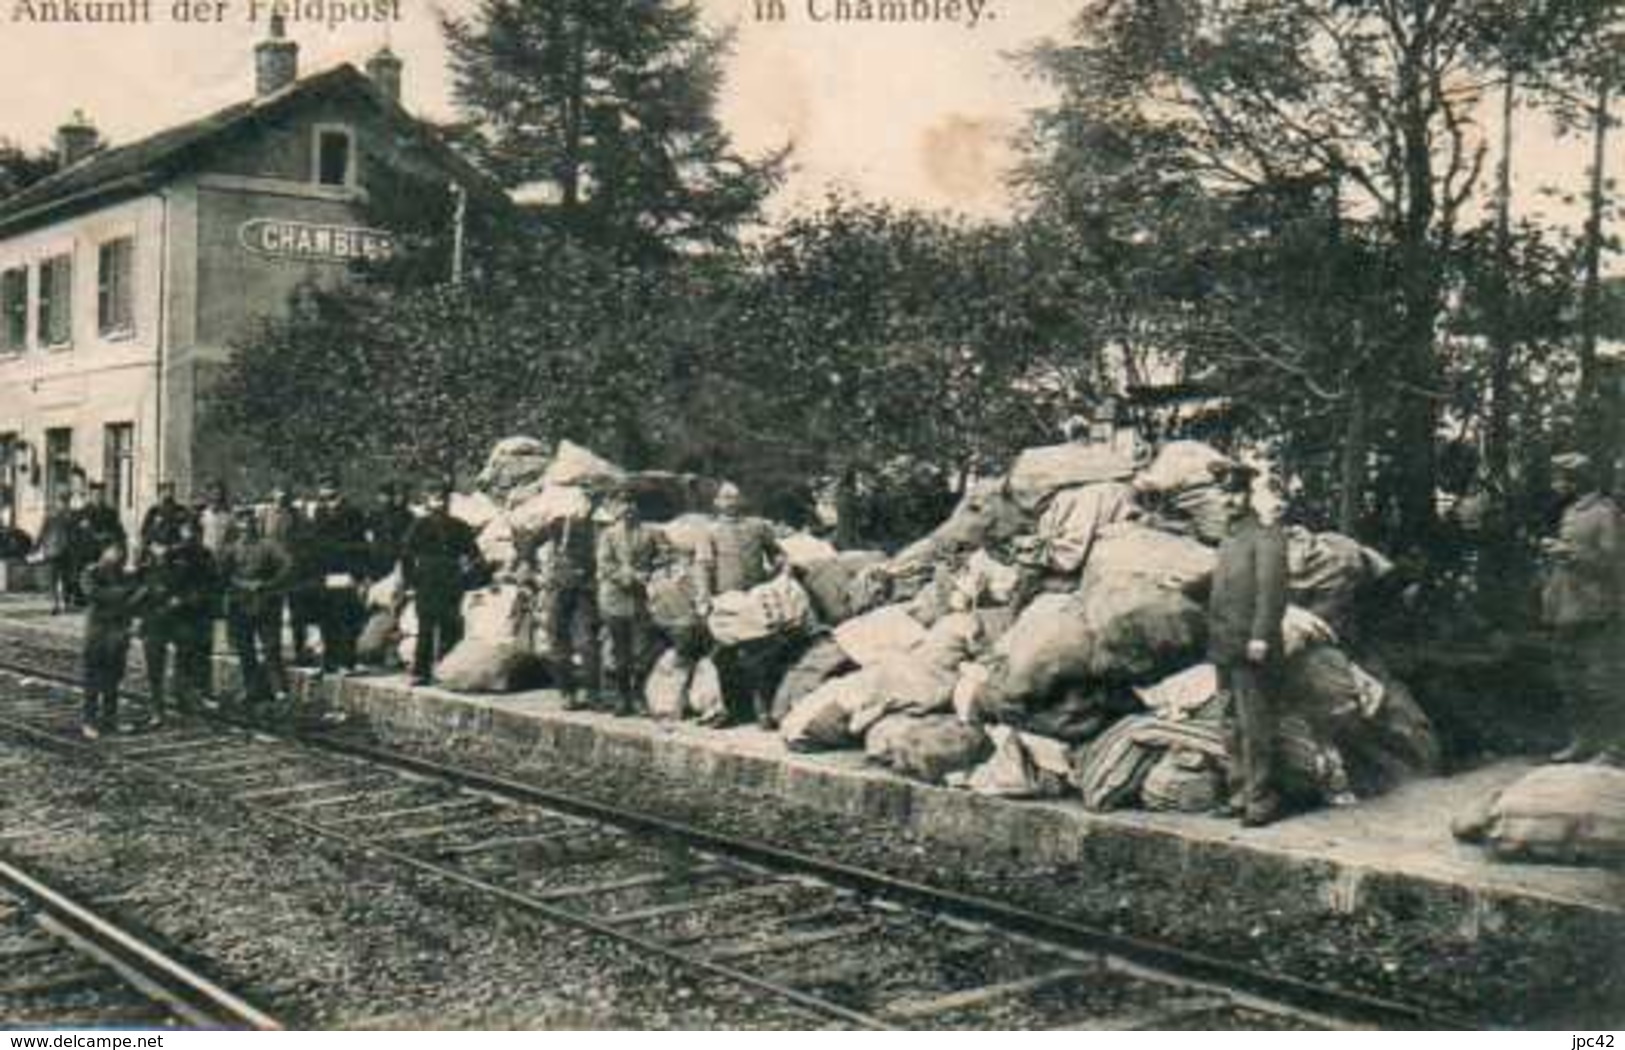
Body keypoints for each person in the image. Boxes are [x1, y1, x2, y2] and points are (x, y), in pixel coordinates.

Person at [1207, 461, 1289, 828]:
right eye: (1223, 493)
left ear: (1248, 495)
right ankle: (1239, 792)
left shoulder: (1267, 535)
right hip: (1223, 643)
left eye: (1235, 493)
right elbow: (1220, 584)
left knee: (1254, 724)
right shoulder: (1229, 537)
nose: (1229, 500)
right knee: (1229, 723)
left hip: (1250, 645)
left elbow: (1271, 593)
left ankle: (1262, 798)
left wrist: (1260, 636)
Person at [1540, 452, 1624, 765]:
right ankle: (1583, 741)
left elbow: (1614, 563)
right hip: (1566, 607)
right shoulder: (1571, 511)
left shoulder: (1606, 511)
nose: (1555, 483)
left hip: (1596, 607)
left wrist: (1569, 553)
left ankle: (1615, 748)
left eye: (1559, 477)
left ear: (1576, 480)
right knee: (1569, 678)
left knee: (1601, 680)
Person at [695, 482, 786, 727]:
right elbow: (703, 566)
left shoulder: (757, 526)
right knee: (725, 655)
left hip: (754, 599)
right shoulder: (710, 531)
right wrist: (704, 599)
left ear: (742, 500)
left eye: (735, 497)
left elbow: (777, 553)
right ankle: (732, 710)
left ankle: (762, 710)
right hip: (725, 600)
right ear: (717, 502)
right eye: (726, 498)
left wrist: (779, 569)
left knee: (760, 654)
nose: (731, 502)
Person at [398, 482, 483, 686]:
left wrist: (468, 577)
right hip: (426, 580)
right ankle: (421, 672)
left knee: (450, 626)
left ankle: (445, 670)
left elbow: (474, 555)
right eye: (435, 498)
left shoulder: (459, 526)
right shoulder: (418, 526)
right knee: (426, 627)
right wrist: (411, 582)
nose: (439, 503)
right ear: (427, 501)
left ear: (448, 501)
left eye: (443, 499)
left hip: (451, 580)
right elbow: (406, 556)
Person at [140, 518, 217, 726]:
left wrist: (182, 600)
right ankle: (157, 708)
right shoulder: (147, 561)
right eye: (156, 545)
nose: (159, 550)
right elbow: (139, 585)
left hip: (180, 617)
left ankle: (183, 701)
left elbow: (202, 586)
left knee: (186, 657)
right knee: (154, 664)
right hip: (155, 617)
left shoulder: (189, 557)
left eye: (163, 545)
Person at [595, 490, 666, 716]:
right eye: (623, 503)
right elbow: (604, 563)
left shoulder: (651, 533)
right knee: (619, 650)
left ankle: (638, 695)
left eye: (632, 503)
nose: (628, 508)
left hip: (641, 599)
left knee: (642, 650)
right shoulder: (608, 534)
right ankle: (621, 697)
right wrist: (626, 575)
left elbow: (666, 556)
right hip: (615, 597)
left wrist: (650, 572)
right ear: (615, 507)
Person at [220, 506, 293, 717]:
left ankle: (280, 692)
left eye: (250, 522)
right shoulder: (232, 549)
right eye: (242, 522)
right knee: (245, 650)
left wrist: (268, 584)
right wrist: (241, 584)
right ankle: (252, 689)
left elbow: (288, 564)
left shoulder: (269, 546)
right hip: (241, 604)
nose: (247, 526)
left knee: (271, 648)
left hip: (265, 604)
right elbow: (223, 573)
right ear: (237, 526)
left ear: (256, 524)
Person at [535, 503, 601, 709]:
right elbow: (531, 542)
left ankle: (590, 693)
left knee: (585, 643)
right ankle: (568, 692)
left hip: (582, 593)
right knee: (560, 642)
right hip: (561, 591)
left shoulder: (594, 529)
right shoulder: (560, 525)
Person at [79, 540, 144, 739]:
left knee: (114, 677)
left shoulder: (124, 574)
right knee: (93, 677)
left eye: (120, 550)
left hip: (118, 631)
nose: (117, 554)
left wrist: (129, 596)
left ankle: (110, 718)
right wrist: (124, 594)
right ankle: (89, 721)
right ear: (104, 552)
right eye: (113, 550)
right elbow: (93, 593)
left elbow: (136, 597)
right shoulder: (92, 572)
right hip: (98, 631)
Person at [308, 474, 370, 676]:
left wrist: (357, 574)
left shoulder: (351, 512)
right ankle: (329, 661)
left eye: (329, 486)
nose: (325, 490)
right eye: (322, 486)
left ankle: (347, 662)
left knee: (345, 618)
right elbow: (316, 542)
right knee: (326, 617)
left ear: (337, 488)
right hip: (326, 571)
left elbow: (360, 543)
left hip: (345, 570)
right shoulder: (319, 511)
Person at [264, 484, 321, 667]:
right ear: (272, 496)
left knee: (298, 614)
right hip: (272, 571)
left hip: (294, 571)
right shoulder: (265, 515)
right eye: (277, 495)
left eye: (284, 496)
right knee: (272, 614)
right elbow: (262, 539)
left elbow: (308, 540)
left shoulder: (298, 516)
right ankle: (272, 653)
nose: (280, 499)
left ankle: (300, 651)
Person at [36, 491, 77, 614]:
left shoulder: (71, 517)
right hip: (54, 551)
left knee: (65, 578)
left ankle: (63, 603)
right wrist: (37, 546)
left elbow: (75, 534)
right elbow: (43, 532)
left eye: (66, 502)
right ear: (58, 502)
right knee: (54, 579)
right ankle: (55, 603)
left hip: (66, 551)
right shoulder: (51, 516)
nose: (64, 504)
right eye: (62, 502)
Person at [367, 482, 416, 581]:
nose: (384, 499)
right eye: (382, 496)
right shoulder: (375, 513)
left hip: (396, 553)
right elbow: (370, 532)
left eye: (387, 496)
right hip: (379, 552)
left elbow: (408, 535)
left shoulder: (406, 514)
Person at [139, 481, 195, 564]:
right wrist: (153, 547)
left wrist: (172, 548)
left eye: (170, 493)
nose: (167, 494)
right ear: (159, 495)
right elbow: (144, 534)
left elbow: (188, 537)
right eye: (163, 493)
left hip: (176, 557)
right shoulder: (153, 512)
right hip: (155, 557)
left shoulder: (181, 512)